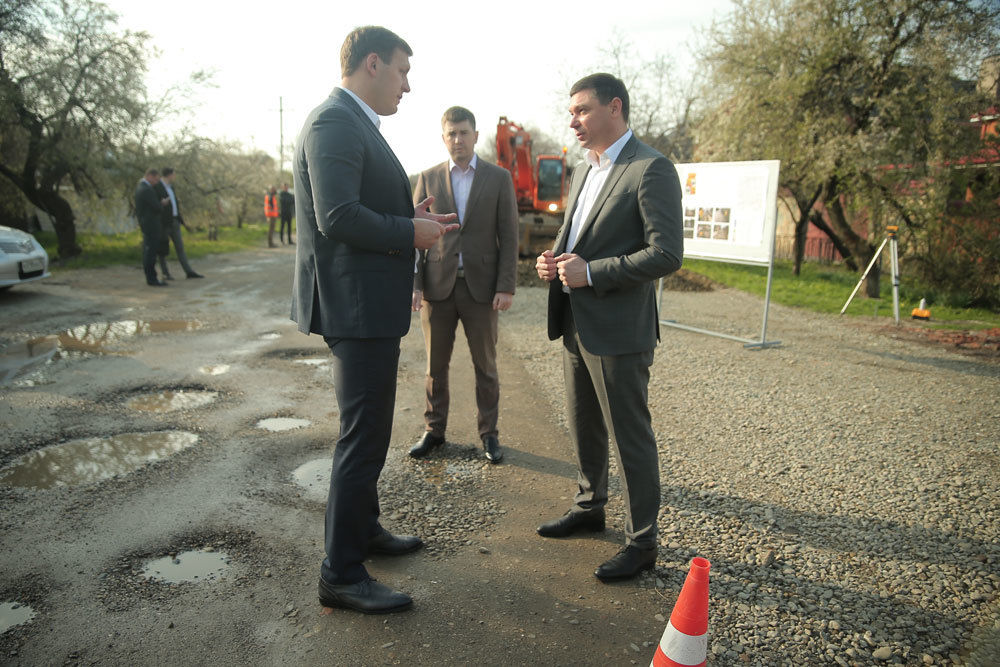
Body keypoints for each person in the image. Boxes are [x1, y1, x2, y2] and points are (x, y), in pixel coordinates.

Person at [290, 26, 459, 614]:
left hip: (367, 303)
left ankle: (363, 531)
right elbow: (337, 216)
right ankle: (340, 572)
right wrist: (408, 231)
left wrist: (408, 215)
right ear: (371, 64)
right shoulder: (334, 121)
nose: (407, 86)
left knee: (371, 432)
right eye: (402, 71)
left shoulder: (355, 122)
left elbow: (356, 204)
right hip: (355, 306)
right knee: (362, 438)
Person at [534, 73, 683, 582]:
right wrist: (553, 259)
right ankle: (589, 506)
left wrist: (593, 272)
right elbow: (574, 234)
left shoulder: (651, 168)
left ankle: (642, 543)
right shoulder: (583, 169)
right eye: (571, 112)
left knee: (629, 437)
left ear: (614, 107)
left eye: (581, 110)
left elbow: (667, 254)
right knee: (584, 423)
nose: (572, 121)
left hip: (620, 330)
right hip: (575, 320)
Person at [409, 106, 518, 464]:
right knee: (435, 366)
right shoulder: (428, 178)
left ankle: (489, 434)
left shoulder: (498, 178)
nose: (458, 139)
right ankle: (434, 430)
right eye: (451, 133)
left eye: (463, 132)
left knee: (485, 366)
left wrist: (506, 286)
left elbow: (509, 235)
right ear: (444, 138)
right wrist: (415, 284)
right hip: (437, 289)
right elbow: (414, 235)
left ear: (475, 135)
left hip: (481, 290)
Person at [152, 167, 204, 279]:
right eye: (174, 175)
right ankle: (165, 273)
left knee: (180, 247)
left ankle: (189, 271)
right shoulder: (157, 187)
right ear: (169, 175)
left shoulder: (171, 187)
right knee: (163, 248)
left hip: (175, 220)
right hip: (164, 222)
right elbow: (155, 205)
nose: (175, 177)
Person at [134, 168, 168, 287]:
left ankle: (151, 277)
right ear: (149, 176)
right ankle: (152, 278)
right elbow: (156, 207)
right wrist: (162, 203)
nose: (156, 182)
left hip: (147, 224)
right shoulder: (146, 189)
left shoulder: (141, 187)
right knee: (150, 252)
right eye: (155, 179)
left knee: (149, 251)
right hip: (151, 225)